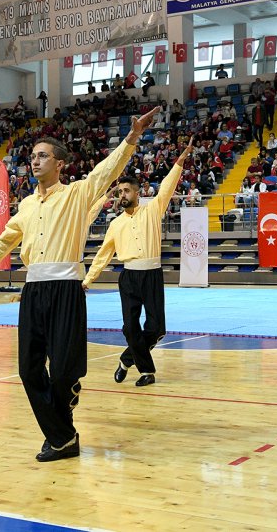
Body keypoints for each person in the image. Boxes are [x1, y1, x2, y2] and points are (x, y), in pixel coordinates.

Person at [0, 107, 159, 462]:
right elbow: (7, 237)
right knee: (29, 370)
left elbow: (107, 171)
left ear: (59, 164)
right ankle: (63, 436)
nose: (35, 160)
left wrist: (131, 138)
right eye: (32, 156)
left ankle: (61, 437)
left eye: (43, 156)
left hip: (66, 289)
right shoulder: (26, 205)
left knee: (62, 371)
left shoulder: (77, 193)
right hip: (33, 290)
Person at [83, 138, 193, 387]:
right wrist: (88, 279)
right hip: (129, 278)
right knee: (130, 327)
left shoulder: (153, 210)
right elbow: (103, 254)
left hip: (152, 275)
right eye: (120, 192)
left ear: (137, 193)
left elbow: (167, 187)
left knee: (156, 328)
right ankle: (146, 371)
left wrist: (180, 161)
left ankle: (126, 360)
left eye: (126, 191)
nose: (122, 195)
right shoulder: (115, 224)